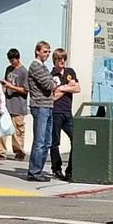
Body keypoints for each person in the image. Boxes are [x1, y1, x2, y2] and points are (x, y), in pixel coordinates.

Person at [26, 41, 56, 182]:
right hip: (40, 106)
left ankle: (39, 169)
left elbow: (51, 82)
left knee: (47, 141)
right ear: (37, 51)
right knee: (39, 140)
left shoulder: (44, 67)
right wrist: (55, 84)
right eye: (45, 51)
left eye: (49, 52)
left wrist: (54, 83)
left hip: (48, 106)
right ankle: (34, 171)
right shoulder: (35, 66)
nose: (47, 54)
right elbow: (48, 84)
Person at [50, 48, 81, 180]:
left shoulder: (70, 72)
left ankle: (70, 169)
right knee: (54, 142)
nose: (61, 61)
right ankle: (56, 169)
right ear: (55, 60)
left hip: (68, 112)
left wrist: (62, 87)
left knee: (76, 139)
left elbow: (78, 88)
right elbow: (53, 96)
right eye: (59, 59)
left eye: (63, 58)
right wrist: (68, 87)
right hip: (55, 111)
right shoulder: (51, 75)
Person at [0, 48, 28, 161]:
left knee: (17, 130)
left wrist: (12, 87)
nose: (11, 63)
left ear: (18, 58)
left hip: (18, 105)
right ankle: (0, 152)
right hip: (7, 104)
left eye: (13, 60)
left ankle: (19, 152)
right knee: (2, 127)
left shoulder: (24, 72)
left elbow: (25, 90)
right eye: (10, 61)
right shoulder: (8, 69)